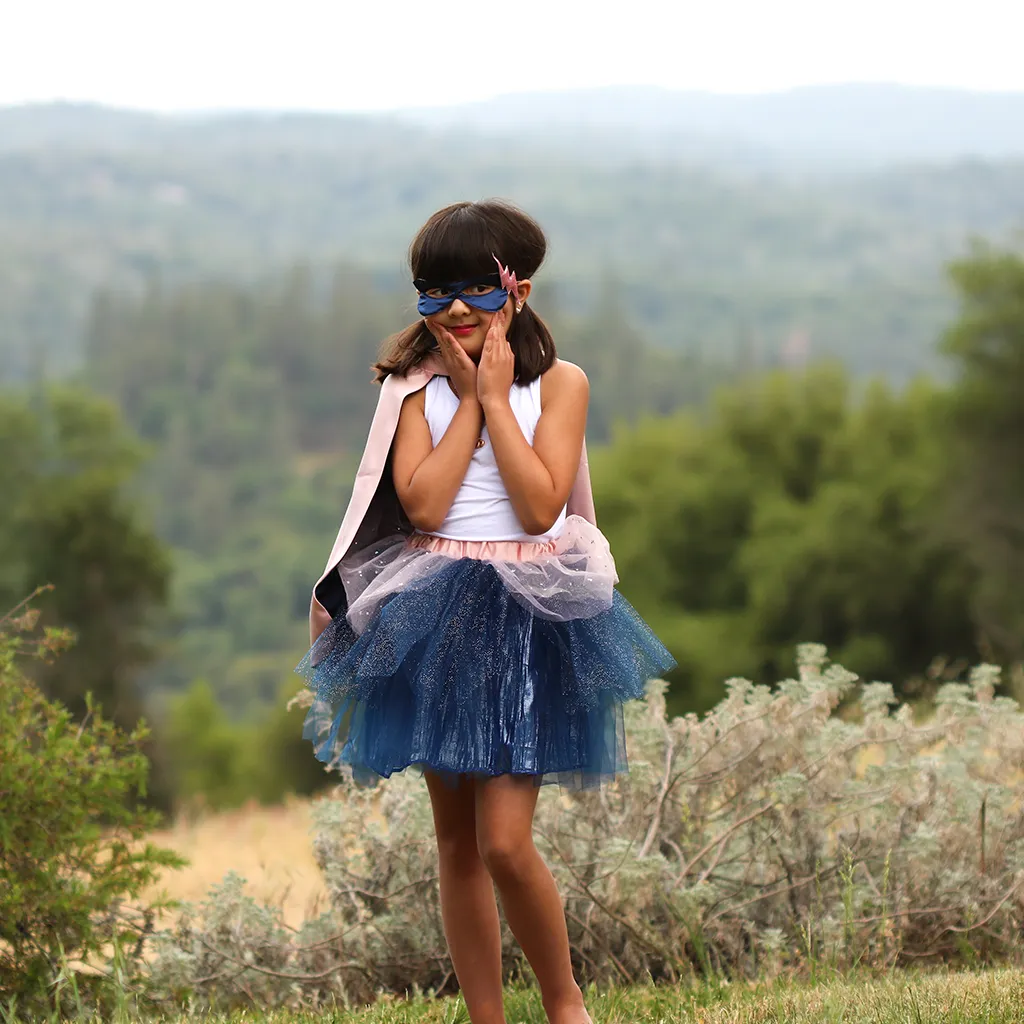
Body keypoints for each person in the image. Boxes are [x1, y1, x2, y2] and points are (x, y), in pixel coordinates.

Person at [296, 199, 675, 1024]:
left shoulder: (561, 384)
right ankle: (485, 1015)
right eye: (434, 293)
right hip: (435, 610)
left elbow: (541, 508)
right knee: (457, 842)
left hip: (528, 613)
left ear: (520, 290)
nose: (456, 309)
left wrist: (500, 400)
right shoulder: (412, 391)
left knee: (505, 841)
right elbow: (425, 505)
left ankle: (566, 1004)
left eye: (476, 289)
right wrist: (466, 398)